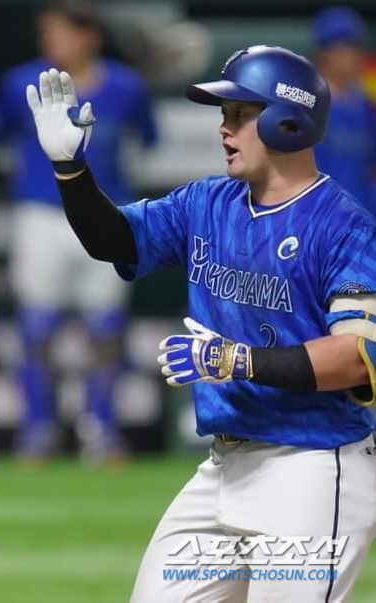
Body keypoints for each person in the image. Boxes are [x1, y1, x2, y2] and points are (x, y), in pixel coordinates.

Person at [27, 46, 376, 601]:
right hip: (222, 468)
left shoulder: (346, 228)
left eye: (240, 114)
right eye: (224, 115)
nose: (223, 128)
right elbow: (113, 240)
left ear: (289, 120)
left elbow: (356, 358)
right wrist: (71, 172)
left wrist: (235, 360)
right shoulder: (206, 202)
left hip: (310, 469)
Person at [0, 0, 158, 463]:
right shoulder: (19, 80)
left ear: (89, 36)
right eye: (49, 32)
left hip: (107, 211)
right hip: (41, 213)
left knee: (105, 326)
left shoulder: (126, 85)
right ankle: (38, 429)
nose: (53, 42)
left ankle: (101, 430)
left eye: (63, 32)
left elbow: (148, 139)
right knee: (37, 325)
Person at [312, 6, 376, 216]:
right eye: (344, 48)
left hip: (361, 216)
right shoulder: (309, 103)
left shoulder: (363, 105)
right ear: (325, 53)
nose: (352, 56)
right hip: (321, 217)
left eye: (355, 47)